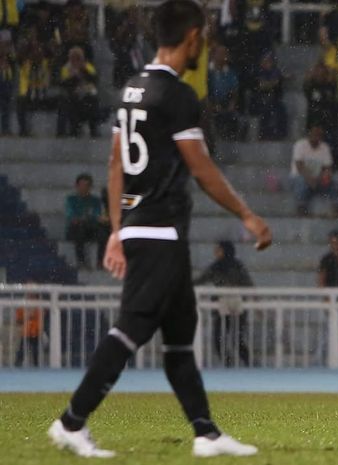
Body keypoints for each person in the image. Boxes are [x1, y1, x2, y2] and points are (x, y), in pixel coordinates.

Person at [48, 1, 272, 458]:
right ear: (191, 37)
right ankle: (71, 422)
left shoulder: (132, 88)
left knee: (179, 335)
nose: (204, 45)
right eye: (203, 36)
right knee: (132, 327)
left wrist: (116, 230)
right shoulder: (177, 95)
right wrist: (247, 215)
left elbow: (115, 165)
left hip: (141, 226)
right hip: (160, 229)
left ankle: (206, 433)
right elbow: (202, 168)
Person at [194, 241, 253, 367]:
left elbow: (248, 285)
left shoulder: (236, 266)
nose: (216, 252)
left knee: (236, 339)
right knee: (219, 339)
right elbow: (200, 280)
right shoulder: (216, 267)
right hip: (221, 306)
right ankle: (230, 364)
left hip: (236, 305)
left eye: (219, 250)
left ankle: (248, 364)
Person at [290, 125, 338, 216]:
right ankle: (301, 206)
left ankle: (337, 207)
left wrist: (323, 177)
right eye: (314, 134)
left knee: (333, 182)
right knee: (302, 182)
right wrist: (310, 178)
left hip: (317, 179)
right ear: (309, 135)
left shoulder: (325, 147)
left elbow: (328, 167)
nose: (316, 137)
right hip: (300, 177)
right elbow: (299, 166)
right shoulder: (300, 145)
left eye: (319, 135)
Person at [57, 46, 100, 138]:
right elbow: (64, 83)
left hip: (86, 95)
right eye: (73, 58)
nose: (75, 61)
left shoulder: (87, 66)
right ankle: (71, 130)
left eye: (78, 58)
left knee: (93, 101)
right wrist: (73, 76)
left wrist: (83, 70)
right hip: (72, 96)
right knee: (67, 102)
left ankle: (94, 130)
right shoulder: (66, 68)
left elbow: (94, 79)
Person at [65, 173, 102, 269]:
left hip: (90, 228)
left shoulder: (95, 201)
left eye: (86, 186)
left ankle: (100, 261)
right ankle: (81, 261)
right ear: (77, 186)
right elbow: (71, 217)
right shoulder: (71, 200)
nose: (84, 188)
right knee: (79, 229)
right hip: (76, 229)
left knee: (103, 232)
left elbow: (97, 215)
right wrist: (84, 218)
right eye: (81, 185)